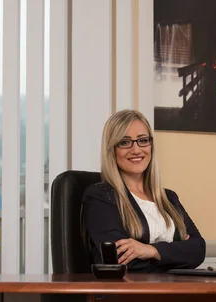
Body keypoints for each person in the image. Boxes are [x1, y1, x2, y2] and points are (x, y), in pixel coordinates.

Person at [81, 109, 206, 272]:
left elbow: (198, 250)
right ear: (112, 149)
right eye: (125, 142)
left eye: (143, 140)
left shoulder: (168, 197)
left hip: (174, 290)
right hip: (130, 293)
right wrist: (177, 253)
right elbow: (123, 262)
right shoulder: (101, 197)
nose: (136, 150)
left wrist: (150, 251)